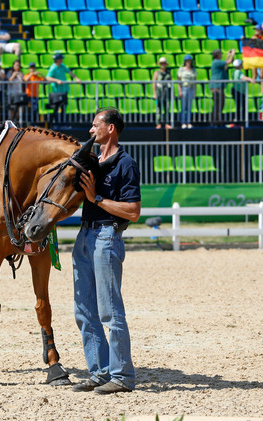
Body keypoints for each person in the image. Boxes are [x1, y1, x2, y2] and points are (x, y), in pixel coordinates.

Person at [71, 109, 141, 395]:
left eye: (95, 125)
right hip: (85, 235)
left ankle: (122, 376)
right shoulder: (90, 161)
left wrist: (96, 199)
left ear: (110, 128)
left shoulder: (126, 164)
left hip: (107, 235)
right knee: (84, 310)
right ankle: (99, 373)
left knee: (110, 311)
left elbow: (134, 212)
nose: (90, 130)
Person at [46, 52, 80, 129]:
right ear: (57, 60)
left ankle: (63, 124)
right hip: (56, 92)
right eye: (61, 58)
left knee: (64, 108)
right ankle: (57, 124)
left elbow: (70, 72)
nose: (62, 60)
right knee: (56, 108)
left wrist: (76, 78)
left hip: (64, 90)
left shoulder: (62, 66)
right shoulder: (53, 67)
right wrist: (57, 80)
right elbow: (48, 77)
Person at [209, 50, 235, 127]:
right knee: (218, 104)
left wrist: (228, 55)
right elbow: (229, 62)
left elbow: (225, 65)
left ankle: (217, 120)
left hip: (219, 86)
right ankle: (215, 121)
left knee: (220, 104)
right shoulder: (216, 62)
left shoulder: (217, 62)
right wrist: (232, 54)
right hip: (217, 86)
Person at [230, 59, 255, 126]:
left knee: (239, 106)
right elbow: (242, 77)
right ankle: (241, 120)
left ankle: (239, 119)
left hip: (238, 91)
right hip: (238, 91)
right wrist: (250, 79)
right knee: (242, 106)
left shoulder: (234, 72)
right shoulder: (238, 72)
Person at [152, 56, 172, 129]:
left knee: (167, 108)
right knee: (158, 108)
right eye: (161, 63)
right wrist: (155, 93)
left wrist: (173, 93)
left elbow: (171, 82)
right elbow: (154, 83)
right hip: (159, 92)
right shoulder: (157, 72)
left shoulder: (169, 72)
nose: (163, 65)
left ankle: (167, 123)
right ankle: (158, 123)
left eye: (164, 63)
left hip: (167, 92)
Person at [23, 61, 43, 126]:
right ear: (29, 69)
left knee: (35, 109)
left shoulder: (37, 76)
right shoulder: (27, 75)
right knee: (33, 109)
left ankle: (33, 123)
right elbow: (25, 80)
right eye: (31, 68)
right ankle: (31, 123)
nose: (32, 69)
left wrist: (40, 74)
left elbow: (45, 80)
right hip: (29, 95)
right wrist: (31, 74)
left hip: (35, 95)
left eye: (33, 68)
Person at [6, 59, 25, 125]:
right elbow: (9, 81)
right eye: (16, 65)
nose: (18, 67)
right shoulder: (10, 72)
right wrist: (14, 75)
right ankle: (11, 122)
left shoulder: (21, 73)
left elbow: (23, 82)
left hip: (19, 94)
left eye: (19, 65)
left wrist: (20, 76)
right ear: (13, 66)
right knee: (12, 109)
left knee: (20, 109)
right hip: (11, 93)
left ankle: (17, 122)